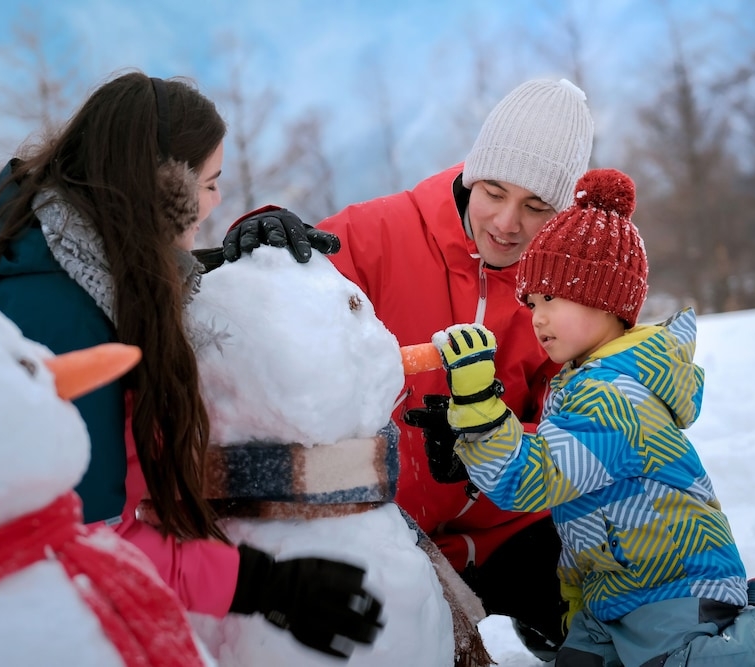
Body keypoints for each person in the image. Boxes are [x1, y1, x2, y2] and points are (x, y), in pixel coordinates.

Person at [0, 70, 382, 659]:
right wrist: (263, 585)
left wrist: (243, 250)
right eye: (209, 185)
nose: (217, 201)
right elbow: (85, 541)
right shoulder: (65, 324)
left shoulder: (64, 260)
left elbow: (138, 278)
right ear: (162, 195)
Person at [224, 77, 595, 659]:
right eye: (494, 192)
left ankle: (548, 623)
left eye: (537, 207)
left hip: (512, 528)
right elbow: (285, 287)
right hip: (395, 528)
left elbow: (575, 427)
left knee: (613, 617)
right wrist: (259, 231)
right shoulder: (381, 233)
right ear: (472, 175)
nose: (506, 222)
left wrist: (493, 438)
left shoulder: (564, 288)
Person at [433, 168, 755, 665]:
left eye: (551, 300)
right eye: (532, 302)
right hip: (612, 596)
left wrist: (479, 412)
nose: (536, 317)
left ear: (604, 301)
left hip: (675, 589)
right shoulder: (584, 381)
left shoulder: (615, 395)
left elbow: (531, 481)